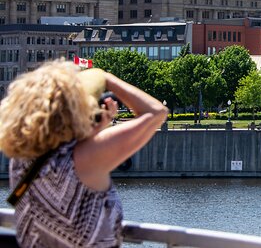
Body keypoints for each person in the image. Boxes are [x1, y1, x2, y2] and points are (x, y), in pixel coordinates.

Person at [0, 60, 168, 247]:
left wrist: (95, 129)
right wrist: (105, 77)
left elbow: (56, 150)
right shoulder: (86, 158)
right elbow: (156, 113)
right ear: (74, 109)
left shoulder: (20, 157)